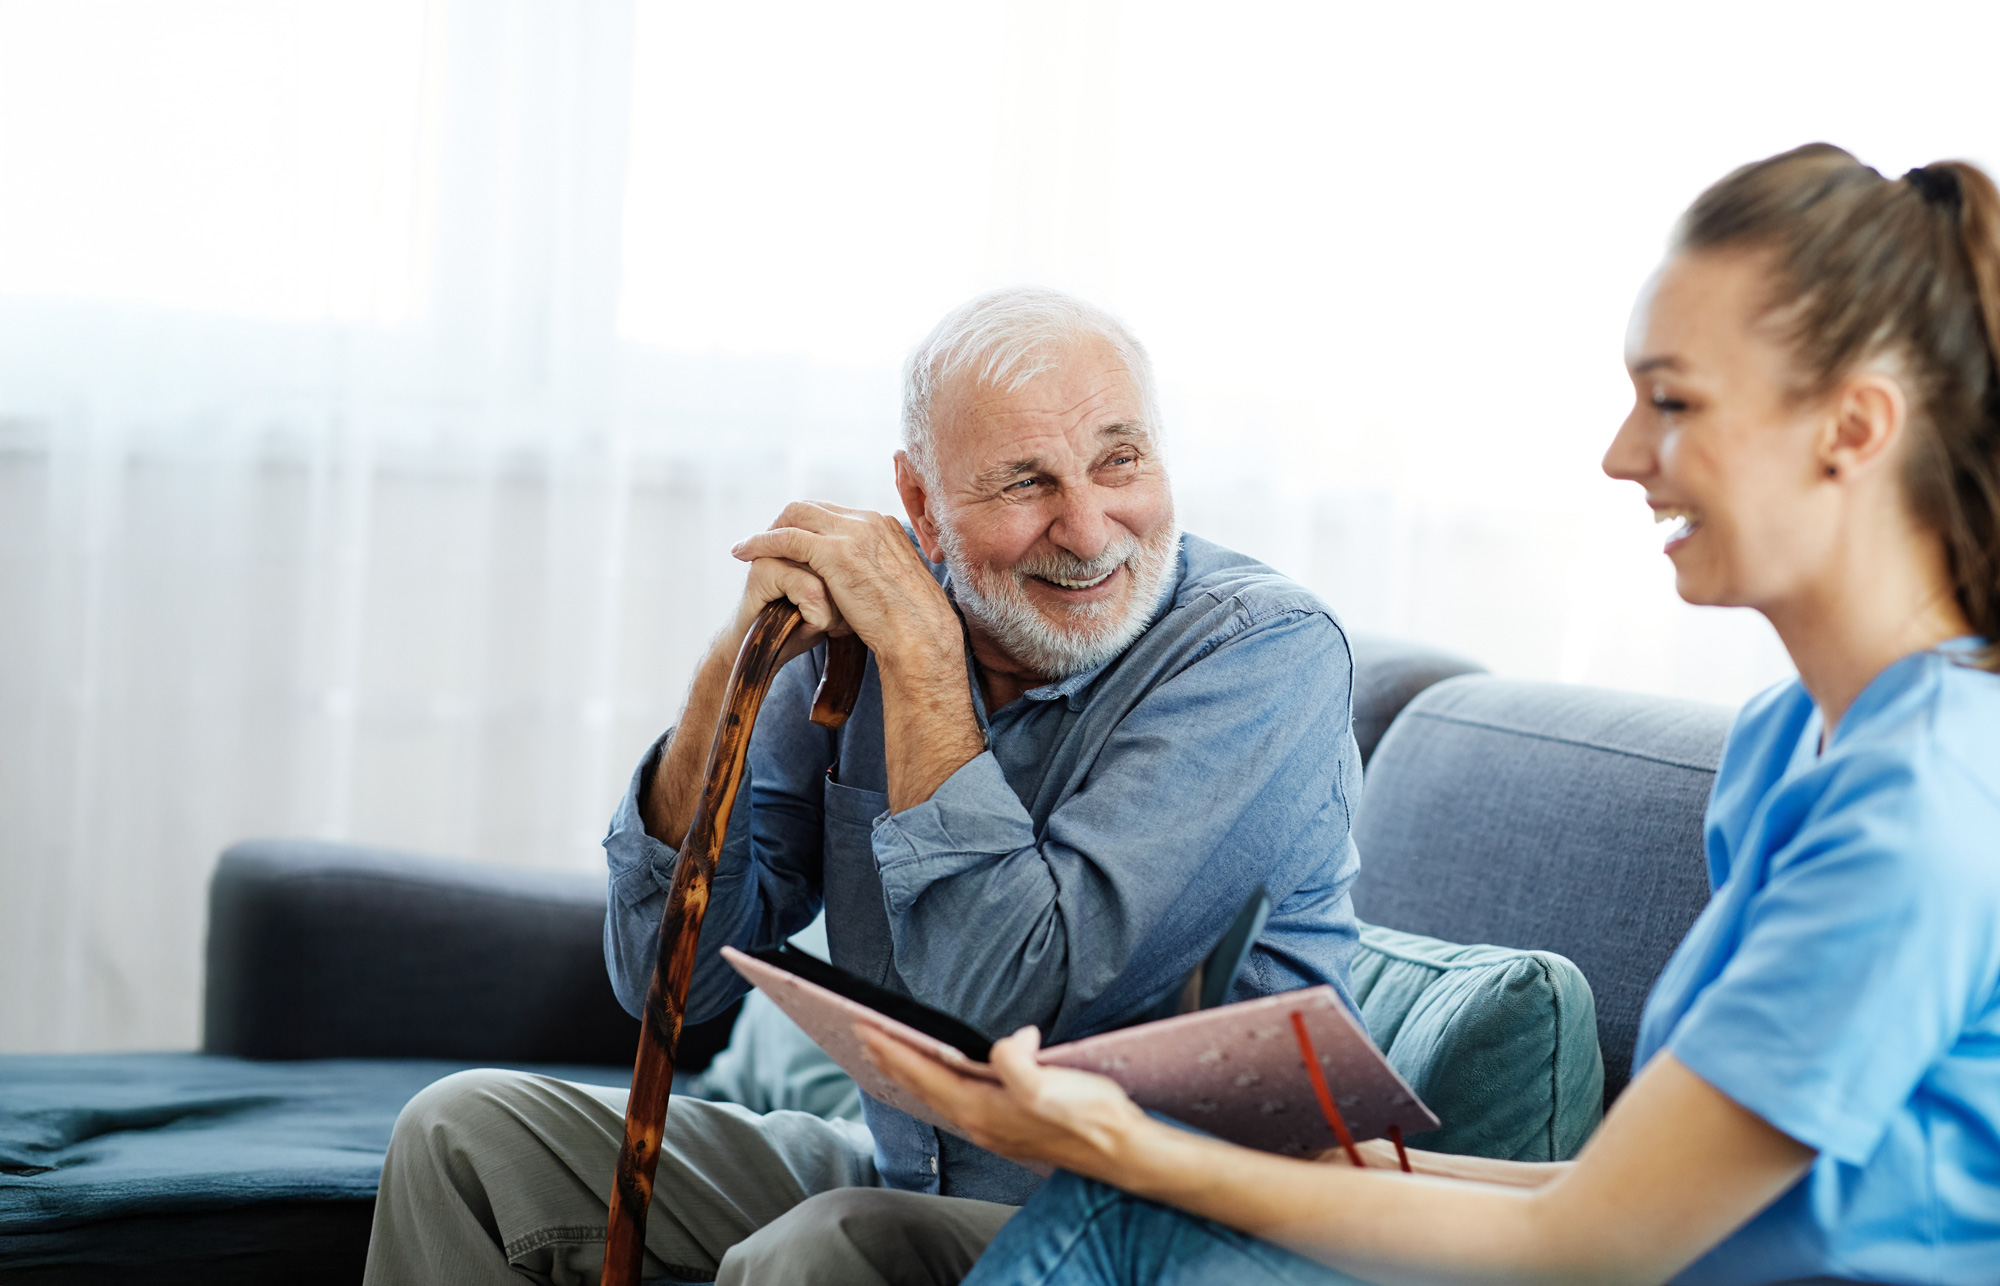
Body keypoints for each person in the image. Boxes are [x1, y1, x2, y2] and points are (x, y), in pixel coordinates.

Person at [866, 144, 2000, 1285]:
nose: (1618, 455)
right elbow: (1613, 1194)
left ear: (1852, 427)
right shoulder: (1784, 740)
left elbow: (1591, 1246)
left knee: (1125, 1220)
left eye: (1671, 401)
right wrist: (1352, 1174)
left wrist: (1128, 1145)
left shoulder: (1923, 803)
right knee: (1140, 1219)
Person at [360, 287, 1370, 1285]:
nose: (1088, 526)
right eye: (1024, 481)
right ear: (922, 503)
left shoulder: (1259, 656)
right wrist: (732, 664)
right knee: (467, 1137)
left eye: (1119, 459)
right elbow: (670, 977)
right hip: (908, 1172)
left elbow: (1006, 1001)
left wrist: (925, 662)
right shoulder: (867, 635)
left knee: (828, 1244)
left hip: (1148, 1236)